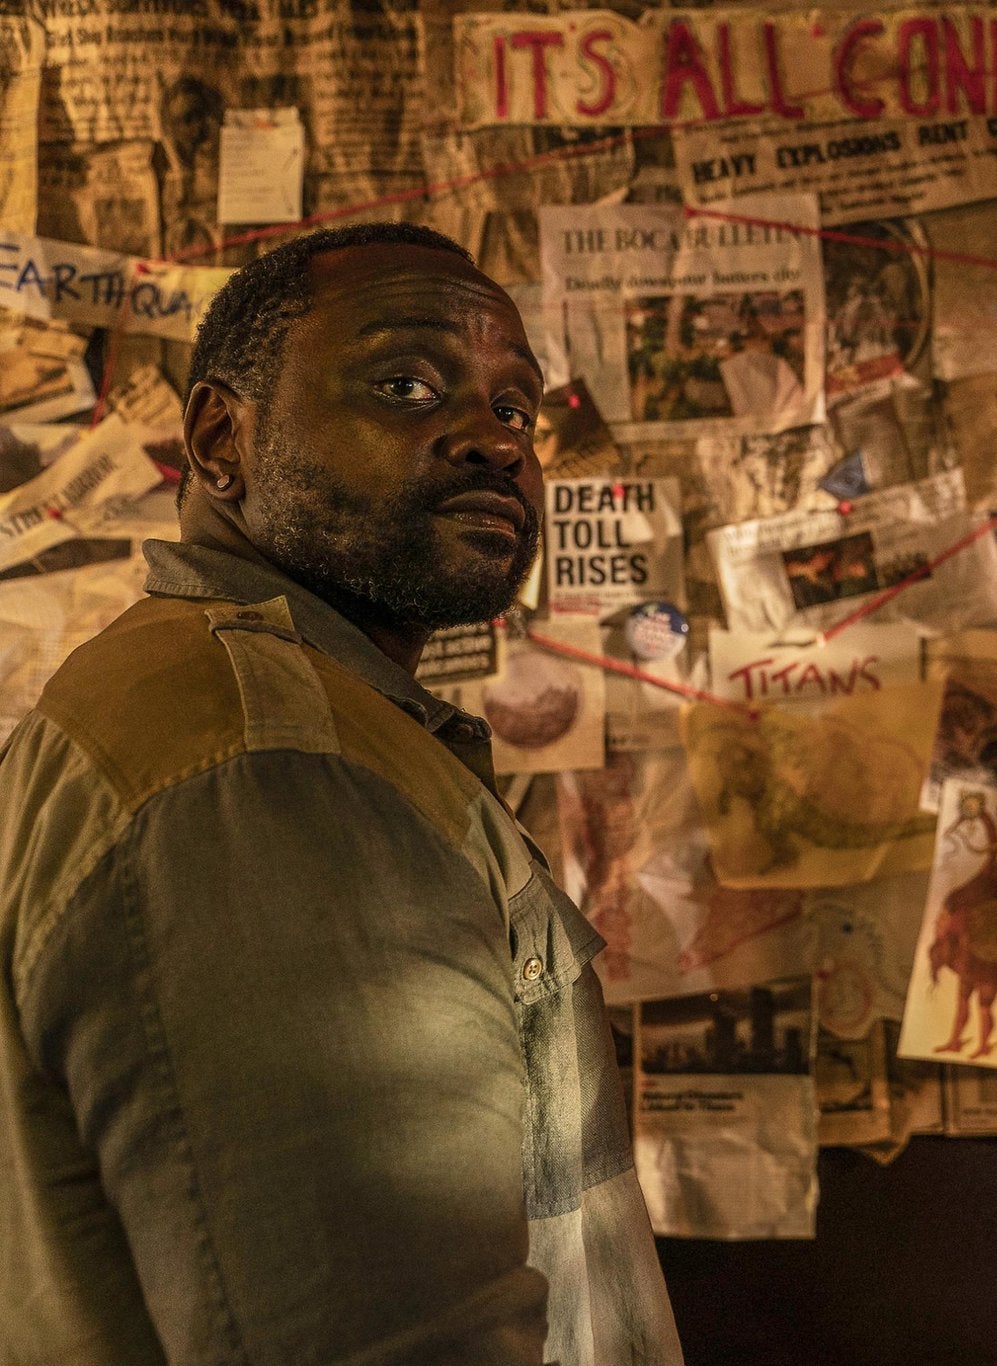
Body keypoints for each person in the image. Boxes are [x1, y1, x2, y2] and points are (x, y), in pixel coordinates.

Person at [0, 223, 682, 1365]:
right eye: (405, 385)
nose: (494, 440)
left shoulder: (253, 708)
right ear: (221, 438)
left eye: (516, 410)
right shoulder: (269, 758)